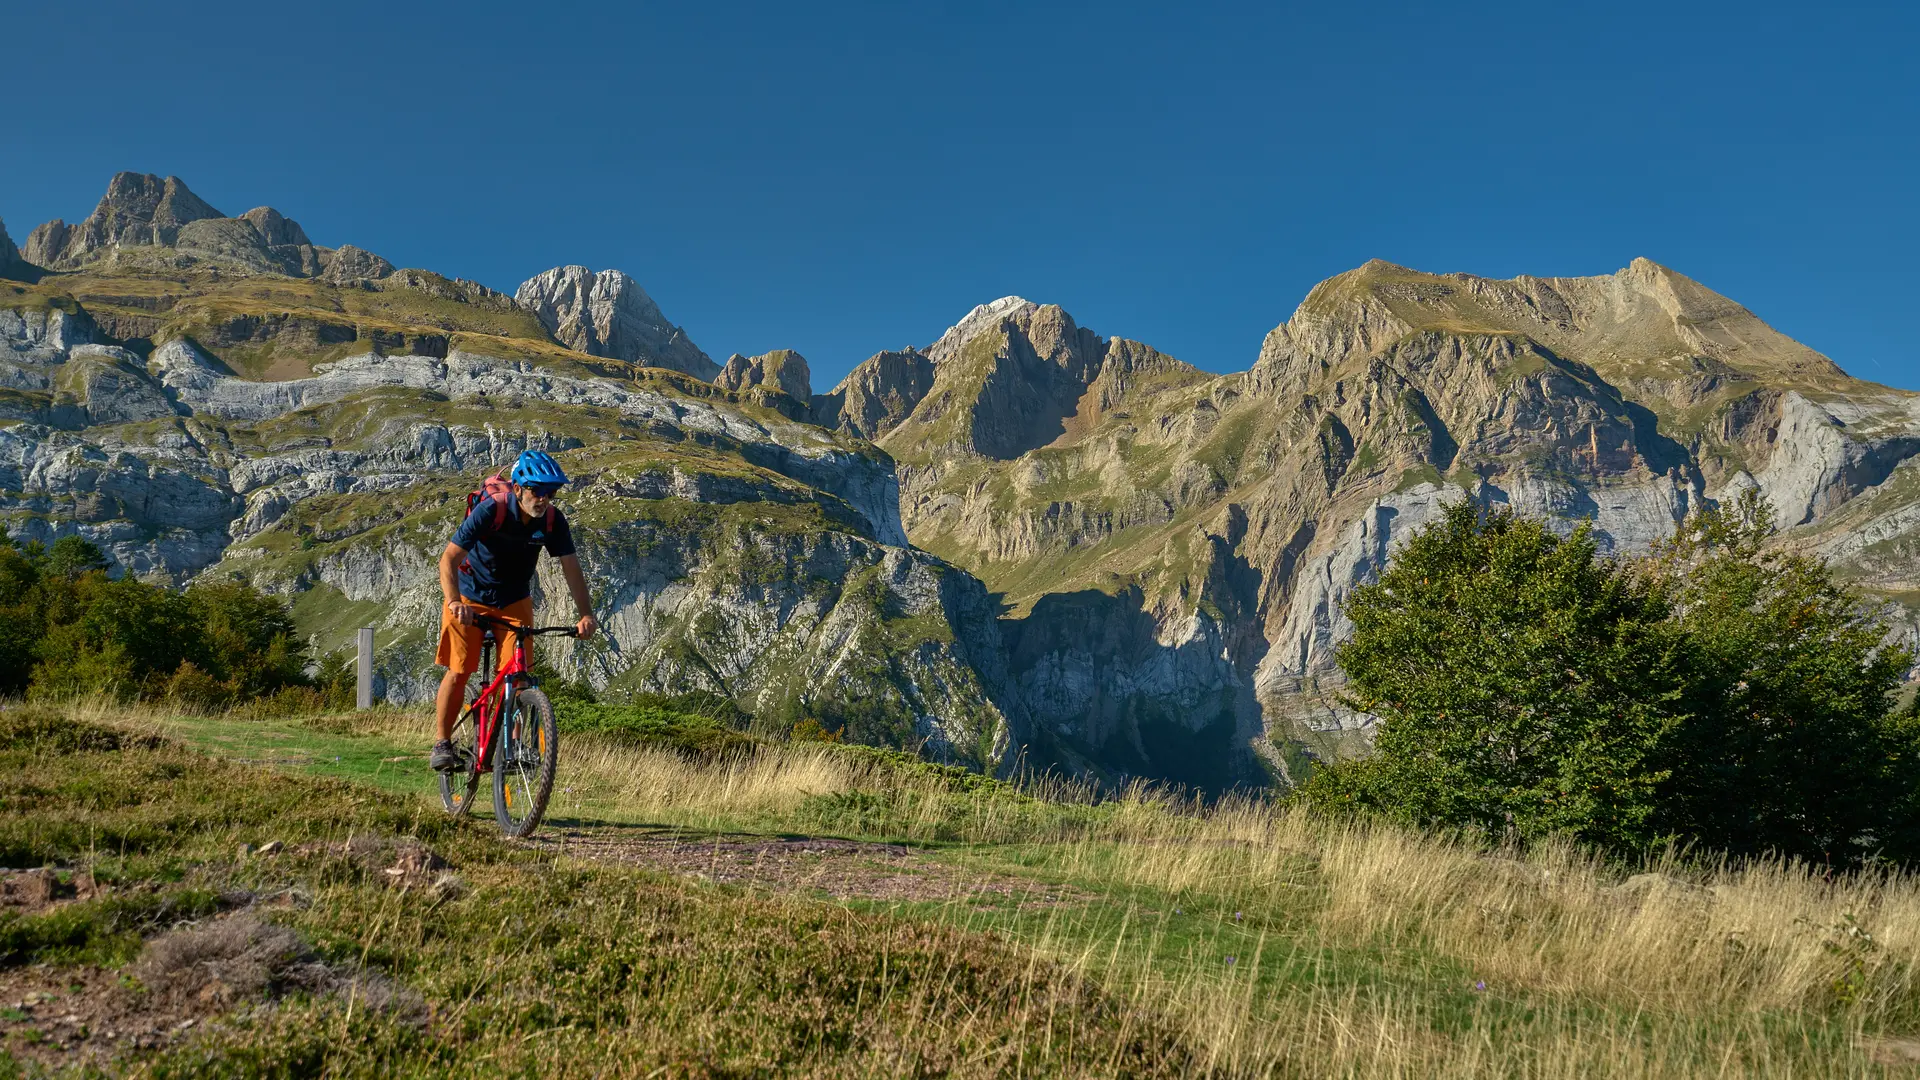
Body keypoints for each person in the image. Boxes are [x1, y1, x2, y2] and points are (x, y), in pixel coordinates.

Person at [429, 449, 598, 771]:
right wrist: (453, 602)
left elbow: (571, 569)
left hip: (514, 599)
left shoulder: (552, 520)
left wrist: (586, 614)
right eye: (537, 490)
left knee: (518, 675)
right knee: (460, 669)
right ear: (518, 488)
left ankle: (516, 746)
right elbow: (449, 559)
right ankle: (442, 742)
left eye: (552, 492)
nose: (544, 499)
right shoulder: (491, 510)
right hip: (469, 597)